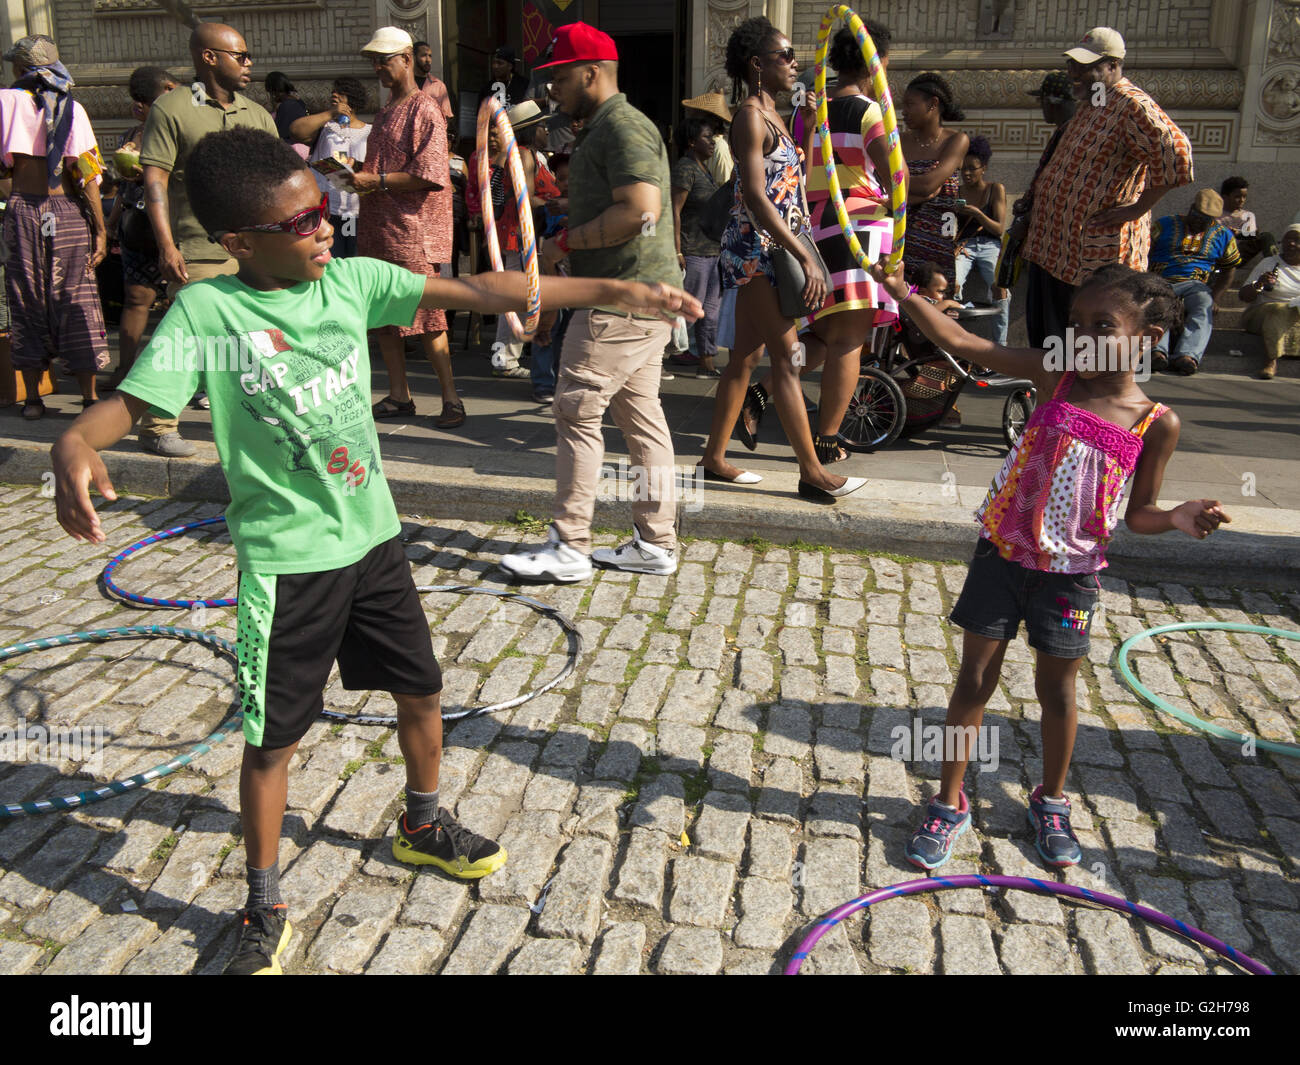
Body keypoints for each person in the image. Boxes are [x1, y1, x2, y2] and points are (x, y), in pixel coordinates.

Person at [50, 126, 698, 976]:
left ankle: (423, 822)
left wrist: (612, 286)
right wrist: (74, 443)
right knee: (272, 742)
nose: (325, 228)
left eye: (326, 210)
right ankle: (263, 902)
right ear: (242, 242)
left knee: (422, 690)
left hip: (375, 544)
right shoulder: (210, 313)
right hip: (287, 569)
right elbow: (129, 409)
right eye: (305, 220)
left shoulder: (349, 284)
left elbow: (473, 287)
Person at [865, 260, 1230, 871]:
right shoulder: (1053, 372)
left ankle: (1052, 800)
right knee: (974, 682)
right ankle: (949, 799)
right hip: (1001, 554)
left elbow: (1138, 512)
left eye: (1101, 325)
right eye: (1075, 321)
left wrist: (1175, 517)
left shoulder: (1155, 422)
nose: (1080, 335)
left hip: (1071, 575)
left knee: (1056, 689)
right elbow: (964, 341)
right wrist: (900, 291)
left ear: (1150, 339)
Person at [499, 22, 697, 580]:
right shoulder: (605, 127)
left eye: (558, 77)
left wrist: (562, 243)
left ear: (592, 72)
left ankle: (569, 545)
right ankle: (655, 543)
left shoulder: (621, 126)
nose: (551, 90)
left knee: (575, 410)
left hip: (620, 300)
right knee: (644, 421)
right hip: (634, 297)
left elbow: (638, 211)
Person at [694, 17, 863, 502]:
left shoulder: (775, 114)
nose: (795, 63)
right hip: (758, 254)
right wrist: (803, 257)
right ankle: (812, 470)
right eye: (784, 56)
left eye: (793, 56)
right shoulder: (749, 115)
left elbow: (788, 184)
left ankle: (712, 459)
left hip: (770, 253)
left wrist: (807, 120)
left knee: (742, 362)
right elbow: (754, 193)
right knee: (788, 360)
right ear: (757, 65)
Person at [139, 21, 277, 456]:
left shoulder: (258, 115)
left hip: (257, 251)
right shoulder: (172, 109)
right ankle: (158, 425)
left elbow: (277, 183)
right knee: (188, 339)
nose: (249, 62)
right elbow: (155, 181)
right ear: (209, 57)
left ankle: (256, 424)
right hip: (199, 248)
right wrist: (166, 244)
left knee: (260, 342)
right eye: (240, 55)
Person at [1020, 27, 1193, 348]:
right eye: (1073, 64)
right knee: (1050, 349)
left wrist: (1137, 208)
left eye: (1086, 67)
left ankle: (1076, 399)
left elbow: (1176, 150)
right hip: (1056, 252)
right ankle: (1053, 398)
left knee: (1087, 354)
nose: (1074, 73)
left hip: (1094, 257)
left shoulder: (1131, 104)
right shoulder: (1092, 102)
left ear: (1113, 65)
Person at [353, 27, 464, 429]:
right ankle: (400, 395)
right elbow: (381, 170)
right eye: (375, 61)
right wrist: (357, 176)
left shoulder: (424, 109)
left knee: (428, 317)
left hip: (414, 232)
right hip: (379, 228)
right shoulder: (385, 111)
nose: (379, 68)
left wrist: (375, 181)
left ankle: (451, 398)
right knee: (383, 317)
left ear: (406, 59)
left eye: (384, 59)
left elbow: (430, 172)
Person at [0, 33, 111, 420]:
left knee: (26, 296)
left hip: (24, 210)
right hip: (65, 212)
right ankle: (88, 397)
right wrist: (100, 228)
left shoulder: (5, 100)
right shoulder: (72, 106)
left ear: (20, 68)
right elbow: (87, 173)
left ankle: (32, 399)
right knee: (77, 296)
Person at [465, 100, 559, 381]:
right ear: (531, 130)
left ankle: (505, 357)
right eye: (543, 126)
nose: (547, 131)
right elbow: (526, 200)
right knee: (517, 299)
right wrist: (559, 204)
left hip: (523, 236)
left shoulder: (528, 154)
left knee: (518, 298)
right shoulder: (524, 156)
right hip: (521, 237)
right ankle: (504, 359)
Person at [103, 66, 179, 393]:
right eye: (138, 101)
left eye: (145, 101)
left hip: (176, 227)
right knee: (136, 297)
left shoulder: (179, 130)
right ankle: (125, 370)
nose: (141, 107)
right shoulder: (129, 136)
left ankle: (184, 378)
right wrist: (109, 223)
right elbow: (123, 187)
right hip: (137, 226)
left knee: (183, 302)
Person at [1147, 188, 1241, 375]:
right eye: (1196, 215)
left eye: (1205, 219)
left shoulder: (1223, 235)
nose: (1199, 221)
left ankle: (1187, 355)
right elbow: (1143, 249)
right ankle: (1157, 352)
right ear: (1191, 209)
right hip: (1162, 281)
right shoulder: (1164, 225)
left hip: (1196, 285)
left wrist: (1216, 297)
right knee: (1160, 305)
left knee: (1204, 304)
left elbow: (1230, 268)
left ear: (1212, 220)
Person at [1002, 71, 1077, 290]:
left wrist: (1027, 219)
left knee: (1059, 318)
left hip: (1058, 247)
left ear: (1050, 101)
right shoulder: (1065, 132)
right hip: (1047, 243)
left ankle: (1065, 328)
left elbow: (1062, 188)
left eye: (1041, 101)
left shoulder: (1073, 134)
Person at [900, 72, 968, 287]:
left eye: (910, 104)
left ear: (933, 104)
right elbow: (883, 186)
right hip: (901, 240)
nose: (904, 112)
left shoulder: (956, 140)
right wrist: (914, 198)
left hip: (938, 244)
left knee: (935, 304)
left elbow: (930, 184)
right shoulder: (899, 140)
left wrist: (904, 192)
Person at [670, 114, 722, 378]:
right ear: (691, 142)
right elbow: (674, 211)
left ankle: (707, 361)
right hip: (693, 251)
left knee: (710, 313)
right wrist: (678, 249)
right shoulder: (685, 168)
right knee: (688, 311)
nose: (712, 142)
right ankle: (661, 356)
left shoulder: (705, 169)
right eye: (706, 137)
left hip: (713, 251)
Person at [295, 77, 370, 259]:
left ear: (352, 98)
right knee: (331, 258)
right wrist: (330, 113)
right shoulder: (327, 128)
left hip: (353, 212)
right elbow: (296, 130)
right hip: (327, 210)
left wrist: (354, 166)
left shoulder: (370, 131)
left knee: (352, 259)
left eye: (340, 92)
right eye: (333, 92)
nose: (334, 95)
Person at [954, 135, 1008, 343]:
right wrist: (953, 246)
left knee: (999, 287)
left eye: (972, 168)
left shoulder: (995, 190)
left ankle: (1000, 346)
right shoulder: (956, 192)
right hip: (964, 246)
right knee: (954, 284)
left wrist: (976, 213)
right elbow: (949, 228)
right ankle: (954, 342)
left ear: (983, 168)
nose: (966, 173)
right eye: (962, 168)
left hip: (989, 245)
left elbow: (998, 229)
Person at [1239, 223, 1300, 379]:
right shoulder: (1269, 263)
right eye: (1288, 239)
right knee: (1279, 309)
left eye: (1297, 240)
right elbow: (1244, 296)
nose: (1292, 244)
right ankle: (1270, 361)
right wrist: (1259, 284)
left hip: (1295, 314)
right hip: (1262, 314)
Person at [1218, 177, 1275, 267]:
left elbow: (1251, 235)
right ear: (1225, 197)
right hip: (1221, 255)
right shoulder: (1216, 215)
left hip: (1240, 254)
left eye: (1244, 197)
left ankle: (1275, 264)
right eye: (1237, 197)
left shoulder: (1248, 215)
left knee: (1266, 236)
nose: (1242, 200)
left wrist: (1238, 234)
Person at [681, 92, 734, 186]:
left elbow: (725, 187)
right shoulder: (697, 146)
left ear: (715, 122)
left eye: (700, 118)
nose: (694, 122)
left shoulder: (719, 148)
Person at [413, 40, 455, 125]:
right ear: (414, 57)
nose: (428, 60)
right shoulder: (402, 84)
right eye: (424, 55)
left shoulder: (439, 86)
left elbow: (447, 117)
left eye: (430, 56)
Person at [264, 71, 308, 142]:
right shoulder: (297, 102)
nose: (271, 96)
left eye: (270, 92)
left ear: (274, 91)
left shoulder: (287, 106)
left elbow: (280, 135)